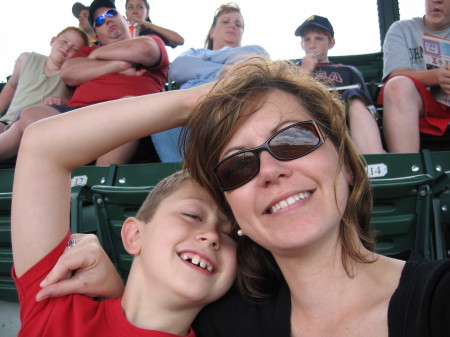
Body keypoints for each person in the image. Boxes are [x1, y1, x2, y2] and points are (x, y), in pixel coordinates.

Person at [38, 57, 450, 337]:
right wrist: (117, 288)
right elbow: (43, 145)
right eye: (238, 165)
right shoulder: (223, 323)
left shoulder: (438, 301)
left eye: (292, 139)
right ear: (234, 210)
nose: (270, 170)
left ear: (344, 160)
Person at [12, 98, 237, 335]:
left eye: (231, 233)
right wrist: (200, 101)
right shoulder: (59, 300)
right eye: (192, 215)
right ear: (134, 235)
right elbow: (42, 145)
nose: (212, 236)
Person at [0, 0, 169, 165]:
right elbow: (69, 73)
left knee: (128, 106)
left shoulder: (148, 40)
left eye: (111, 13)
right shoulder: (87, 51)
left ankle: (99, 182)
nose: (107, 20)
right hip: (79, 116)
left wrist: (97, 56)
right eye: (100, 21)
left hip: (128, 121)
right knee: (32, 114)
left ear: (124, 19)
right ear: (97, 35)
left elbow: (144, 50)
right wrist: (115, 64)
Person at [151, 2, 268, 162]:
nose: (232, 26)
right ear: (212, 32)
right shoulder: (194, 52)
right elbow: (178, 69)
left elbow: (260, 58)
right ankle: (181, 176)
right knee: (162, 110)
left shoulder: (253, 49)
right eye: (225, 21)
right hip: (190, 109)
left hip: (231, 103)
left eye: (238, 24)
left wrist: (203, 62)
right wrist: (223, 69)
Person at [294, 15, 384, 154]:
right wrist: (305, 72)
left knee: (353, 96)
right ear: (301, 44)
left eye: (318, 38)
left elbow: (371, 112)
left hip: (347, 125)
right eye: (307, 39)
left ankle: (374, 160)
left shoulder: (347, 71)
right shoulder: (292, 72)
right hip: (310, 124)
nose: (312, 44)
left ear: (331, 43)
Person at [380, 0, 450, 153]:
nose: (436, 1)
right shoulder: (402, 29)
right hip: (423, 103)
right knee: (397, 86)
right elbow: (396, 74)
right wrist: (437, 76)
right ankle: (406, 170)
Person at [0, 27, 88, 132]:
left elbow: (75, 104)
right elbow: (11, 86)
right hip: (8, 122)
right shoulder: (26, 59)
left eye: (75, 49)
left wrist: (63, 101)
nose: (67, 48)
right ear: (53, 41)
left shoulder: (72, 79)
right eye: (64, 41)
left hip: (38, 129)